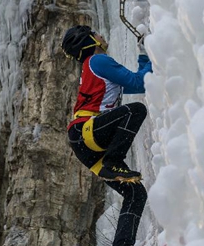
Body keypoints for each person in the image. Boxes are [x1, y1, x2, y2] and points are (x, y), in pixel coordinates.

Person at [62, 25, 151, 246]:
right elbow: (138, 82)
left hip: (85, 144)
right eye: (96, 33)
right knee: (136, 110)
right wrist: (153, 51)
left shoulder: (92, 67)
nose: (102, 35)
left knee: (135, 194)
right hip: (87, 131)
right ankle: (113, 160)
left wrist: (143, 53)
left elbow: (136, 81)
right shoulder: (98, 61)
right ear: (90, 41)